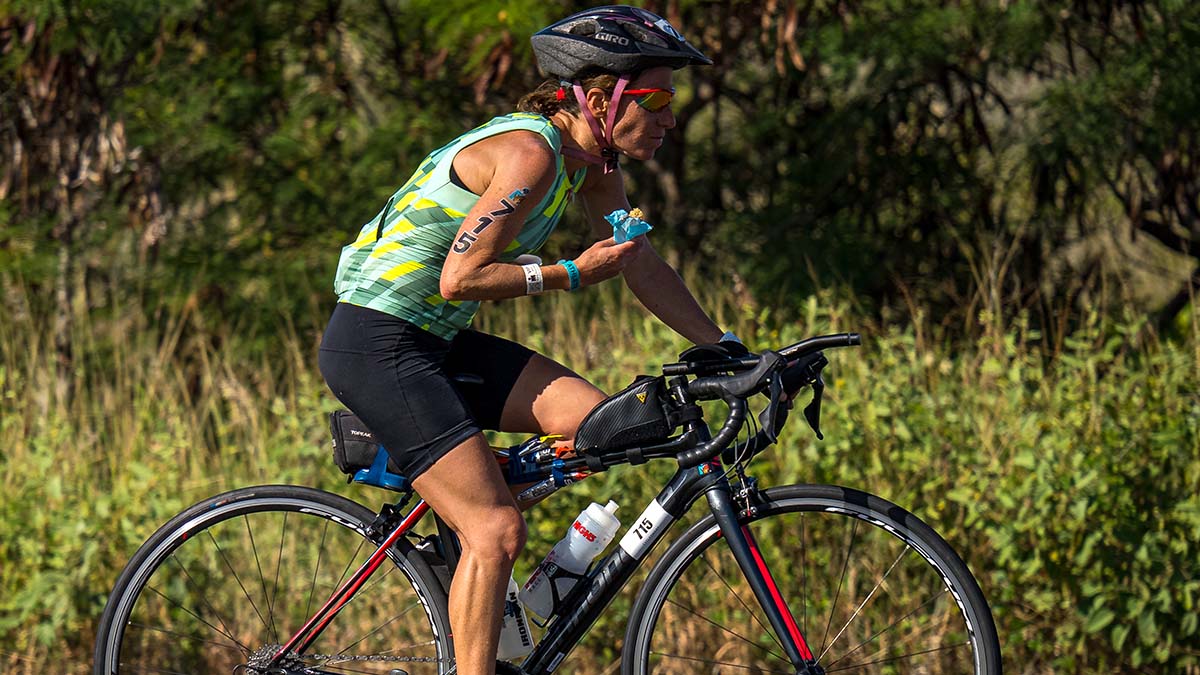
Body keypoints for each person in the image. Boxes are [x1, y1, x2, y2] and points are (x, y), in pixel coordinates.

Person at [318, 6, 738, 674]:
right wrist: (572, 272)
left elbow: (643, 263)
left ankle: (459, 501)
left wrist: (730, 347)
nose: (669, 119)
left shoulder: (593, 166)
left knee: (599, 422)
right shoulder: (532, 154)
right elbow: (461, 277)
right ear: (600, 100)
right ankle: (472, 522)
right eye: (656, 101)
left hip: (436, 342)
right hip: (377, 342)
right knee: (495, 530)